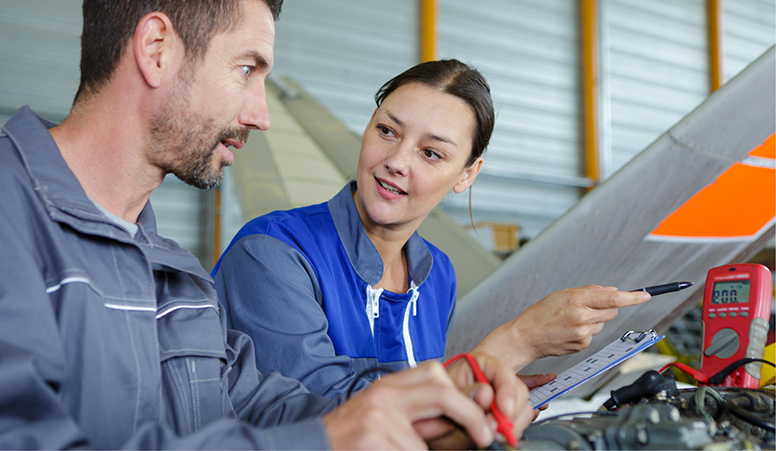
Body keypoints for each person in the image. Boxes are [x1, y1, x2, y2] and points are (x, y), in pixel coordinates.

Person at [0, 1, 536, 449]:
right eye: (246, 70)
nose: (261, 114)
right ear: (156, 49)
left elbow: (250, 400)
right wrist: (327, 439)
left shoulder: (175, 277)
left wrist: (422, 406)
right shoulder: (12, 220)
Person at [212, 59, 652, 398]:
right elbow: (320, 417)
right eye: (387, 130)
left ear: (466, 175)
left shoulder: (436, 275)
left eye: (432, 153)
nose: (397, 161)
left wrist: (477, 398)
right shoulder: (272, 253)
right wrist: (518, 342)